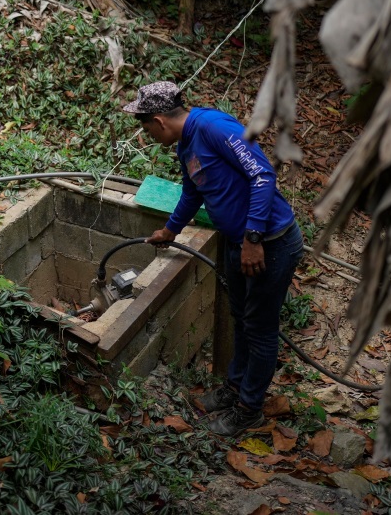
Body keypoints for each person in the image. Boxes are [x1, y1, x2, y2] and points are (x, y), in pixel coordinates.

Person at [123, 81, 303, 436]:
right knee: (242, 319)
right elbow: (194, 191)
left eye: (146, 129)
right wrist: (170, 230)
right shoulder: (185, 143)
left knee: (260, 328)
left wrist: (253, 237)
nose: (148, 136)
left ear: (159, 121)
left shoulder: (215, 128)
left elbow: (262, 175)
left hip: (271, 242)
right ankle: (234, 389)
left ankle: (249, 409)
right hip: (239, 242)